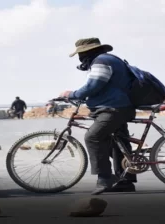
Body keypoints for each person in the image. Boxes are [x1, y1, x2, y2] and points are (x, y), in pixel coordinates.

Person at [59, 38, 138, 195]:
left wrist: (72, 94)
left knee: (93, 137)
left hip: (112, 109)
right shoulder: (108, 60)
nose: (80, 58)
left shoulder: (101, 61)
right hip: (119, 107)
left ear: (87, 52)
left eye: (80, 54)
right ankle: (125, 181)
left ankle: (104, 178)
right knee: (117, 143)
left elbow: (94, 84)